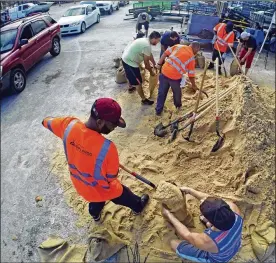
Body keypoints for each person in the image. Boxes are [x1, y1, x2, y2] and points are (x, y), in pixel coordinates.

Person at [42, 98, 149, 223]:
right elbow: (111, 178)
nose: (114, 127)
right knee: (123, 194)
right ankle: (138, 206)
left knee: (95, 201)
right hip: (104, 188)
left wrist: (45, 121)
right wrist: (109, 161)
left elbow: (47, 122)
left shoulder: (69, 125)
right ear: (100, 122)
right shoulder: (108, 149)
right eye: (113, 124)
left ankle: (95, 215)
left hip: (81, 186)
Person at [162, 186, 243, 263]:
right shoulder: (234, 208)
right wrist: (190, 190)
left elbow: (187, 235)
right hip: (234, 244)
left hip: (219, 259)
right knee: (205, 221)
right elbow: (212, 201)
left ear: (212, 222)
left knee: (173, 243)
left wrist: (169, 215)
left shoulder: (208, 241)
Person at [155, 42, 201, 116]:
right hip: (174, 78)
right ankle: (178, 107)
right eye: (197, 50)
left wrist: (159, 64)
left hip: (164, 72)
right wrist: (193, 85)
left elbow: (165, 54)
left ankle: (158, 111)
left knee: (162, 93)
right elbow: (191, 75)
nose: (197, 52)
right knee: (177, 93)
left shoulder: (178, 46)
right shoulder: (191, 58)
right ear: (196, 48)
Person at [122, 31, 161, 105]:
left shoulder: (145, 40)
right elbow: (146, 64)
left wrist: (154, 63)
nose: (158, 42)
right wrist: (152, 72)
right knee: (138, 82)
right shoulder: (147, 46)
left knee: (131, 76)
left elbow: (149, 54)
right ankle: (144, 100)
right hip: (130, 62)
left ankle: (130, 86)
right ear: (154, 38)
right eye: (158, 40)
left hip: (126, 57)